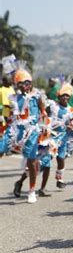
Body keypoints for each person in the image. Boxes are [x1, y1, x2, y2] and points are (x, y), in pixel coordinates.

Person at [0, 62, 46, 203]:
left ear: (31, 83)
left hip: (31, 131)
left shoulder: (37, 96)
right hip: (15, 130)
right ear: (16, 85)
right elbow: (10, 115)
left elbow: (43, 111)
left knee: (31, 162)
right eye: (20, 83)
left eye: (27, 82)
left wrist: (43, 124)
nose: (24, 85)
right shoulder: (14, 98)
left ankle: (32, 191)